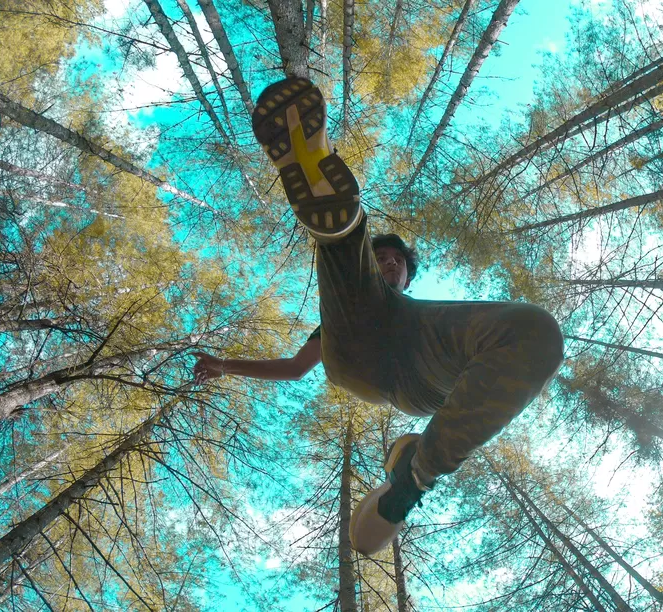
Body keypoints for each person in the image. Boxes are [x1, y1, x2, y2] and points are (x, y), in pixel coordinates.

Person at [193, 77, 564, 556]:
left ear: (408, 275)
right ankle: (339, 224)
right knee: (346, 261)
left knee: (534, 331)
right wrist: (224, 366)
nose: (389, 262)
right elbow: (295, 368)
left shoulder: (425, 315)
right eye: (381, 257)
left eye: (397, 261)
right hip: (357, 353)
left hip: (423, 375)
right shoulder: (342, 315)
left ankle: (413, 477)